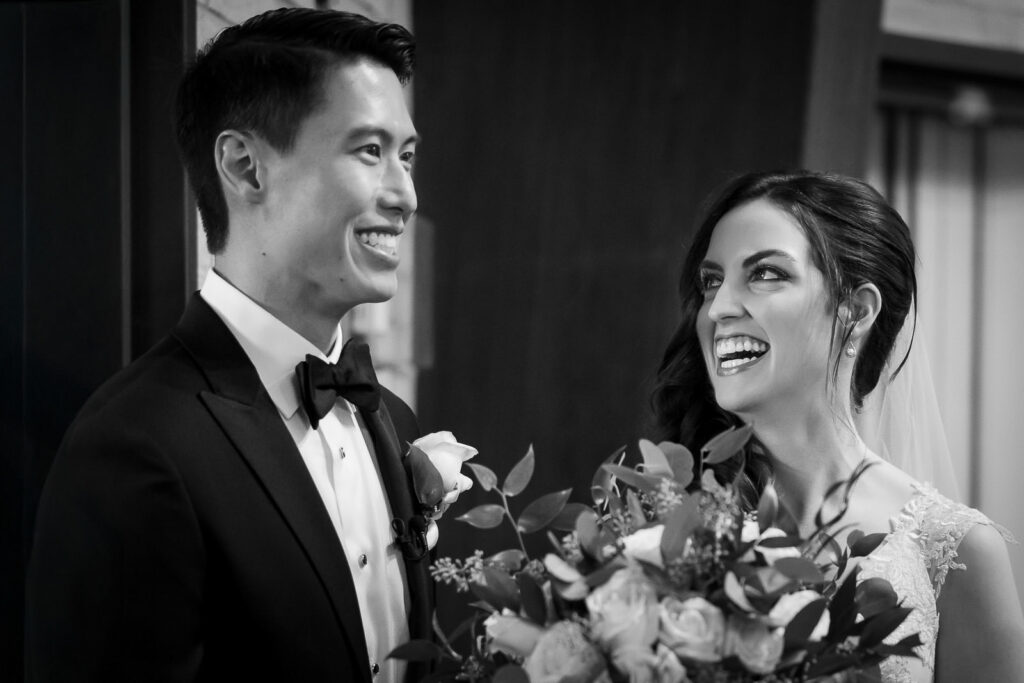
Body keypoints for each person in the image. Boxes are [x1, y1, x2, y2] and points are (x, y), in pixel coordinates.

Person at [26, 9, 432, 682]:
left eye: (407, 155)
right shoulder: (134, 445)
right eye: (370, 151)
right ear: (245, 168)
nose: (406, 195)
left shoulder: (391, 420)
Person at [652, 170, 1024, 682]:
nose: (718, 309)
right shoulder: (660, 521)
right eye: (711, 281)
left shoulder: (956, 552)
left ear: (856, 310)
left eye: (765, 274)